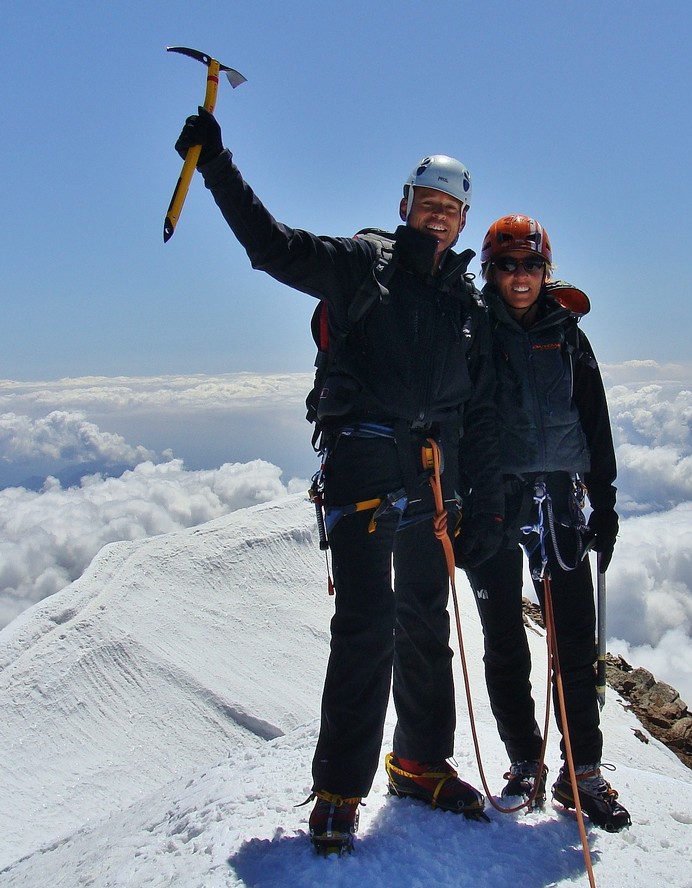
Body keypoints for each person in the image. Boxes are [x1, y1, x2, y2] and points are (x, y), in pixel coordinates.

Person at [174, 108, 505, 855]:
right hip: (363, 467)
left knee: (425, 624)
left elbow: (478, 409)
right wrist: (216, 164)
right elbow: (272, 249)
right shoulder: (362, 262)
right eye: (429, 203)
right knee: (365, 628)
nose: (439, 217)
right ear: (405, 205)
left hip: (432, 480)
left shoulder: (465, 301)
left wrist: (480, 502)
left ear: (462, 221)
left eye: (451, 210)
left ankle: (420, 763)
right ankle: (338, 789)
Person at [464, 214, 630, 831]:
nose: (520, 277)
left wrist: (604, 501)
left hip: (560, 494)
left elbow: (595, 417)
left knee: (574, 640)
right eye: (507, 266)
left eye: (531, 266)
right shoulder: (471, 329)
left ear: (546, 270)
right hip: (493, 498)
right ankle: (524, 760)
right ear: (491, 271)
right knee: (505, 636)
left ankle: (580, 770)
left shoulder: (567, 334)